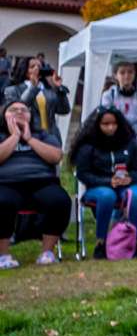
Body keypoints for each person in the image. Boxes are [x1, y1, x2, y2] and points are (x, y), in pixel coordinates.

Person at [69, 105, 137, 258]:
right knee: (107, 196)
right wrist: (107, 181)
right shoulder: (88, 146)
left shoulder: (129, 142)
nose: (111, 127)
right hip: (98, 187)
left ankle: (132, 243)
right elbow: (83, 174)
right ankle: (101, 242)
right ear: (97, 125)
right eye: (105, 124)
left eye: (114, 124)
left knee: (136, 195)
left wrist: (130, 178)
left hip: (125, 185)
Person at [0, 99, 69, 268]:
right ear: (3, 116)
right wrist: (15, 137)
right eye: (13, 110)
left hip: (42, 182)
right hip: (7, 183)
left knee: (60, 201)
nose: (19, 112)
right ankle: (3, 255)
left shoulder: (44, 135)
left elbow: (56, 156)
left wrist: (29, 139)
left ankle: (47, 252)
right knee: (2, 203)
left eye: (24, 109)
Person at [8, 55, 70, 134]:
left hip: (51, 136)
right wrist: (33, 87)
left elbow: (64, 110)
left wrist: (59, 89)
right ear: (25, 71)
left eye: (39, 66)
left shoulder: (48, 89)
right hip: (28, 136)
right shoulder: (13, 90)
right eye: (32, 66)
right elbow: (19, 109)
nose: (37, 69)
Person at [99, 61, 137, 141]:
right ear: (115, 75)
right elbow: (107, 120)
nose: (127, 76)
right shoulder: (108, 96)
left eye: (130, 72)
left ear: (134, 74)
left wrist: (128, 128)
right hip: (115, 143)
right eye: (122, 73)